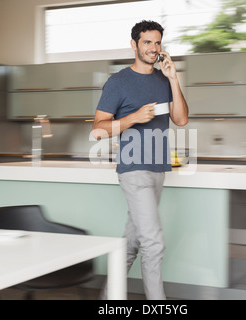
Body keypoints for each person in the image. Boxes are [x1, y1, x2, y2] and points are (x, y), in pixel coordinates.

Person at [92, 20, 189, 300]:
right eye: (147, 42)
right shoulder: (118, 82)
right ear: (134, 44)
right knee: (154, 243)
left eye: (157, 42)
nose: (153, 48)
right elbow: (98, 129)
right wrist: (134, 117)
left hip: (158, 169)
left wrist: (173, 77)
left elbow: (181, 119)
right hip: (133, 169)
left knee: (132, 243)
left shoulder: (163, 79)